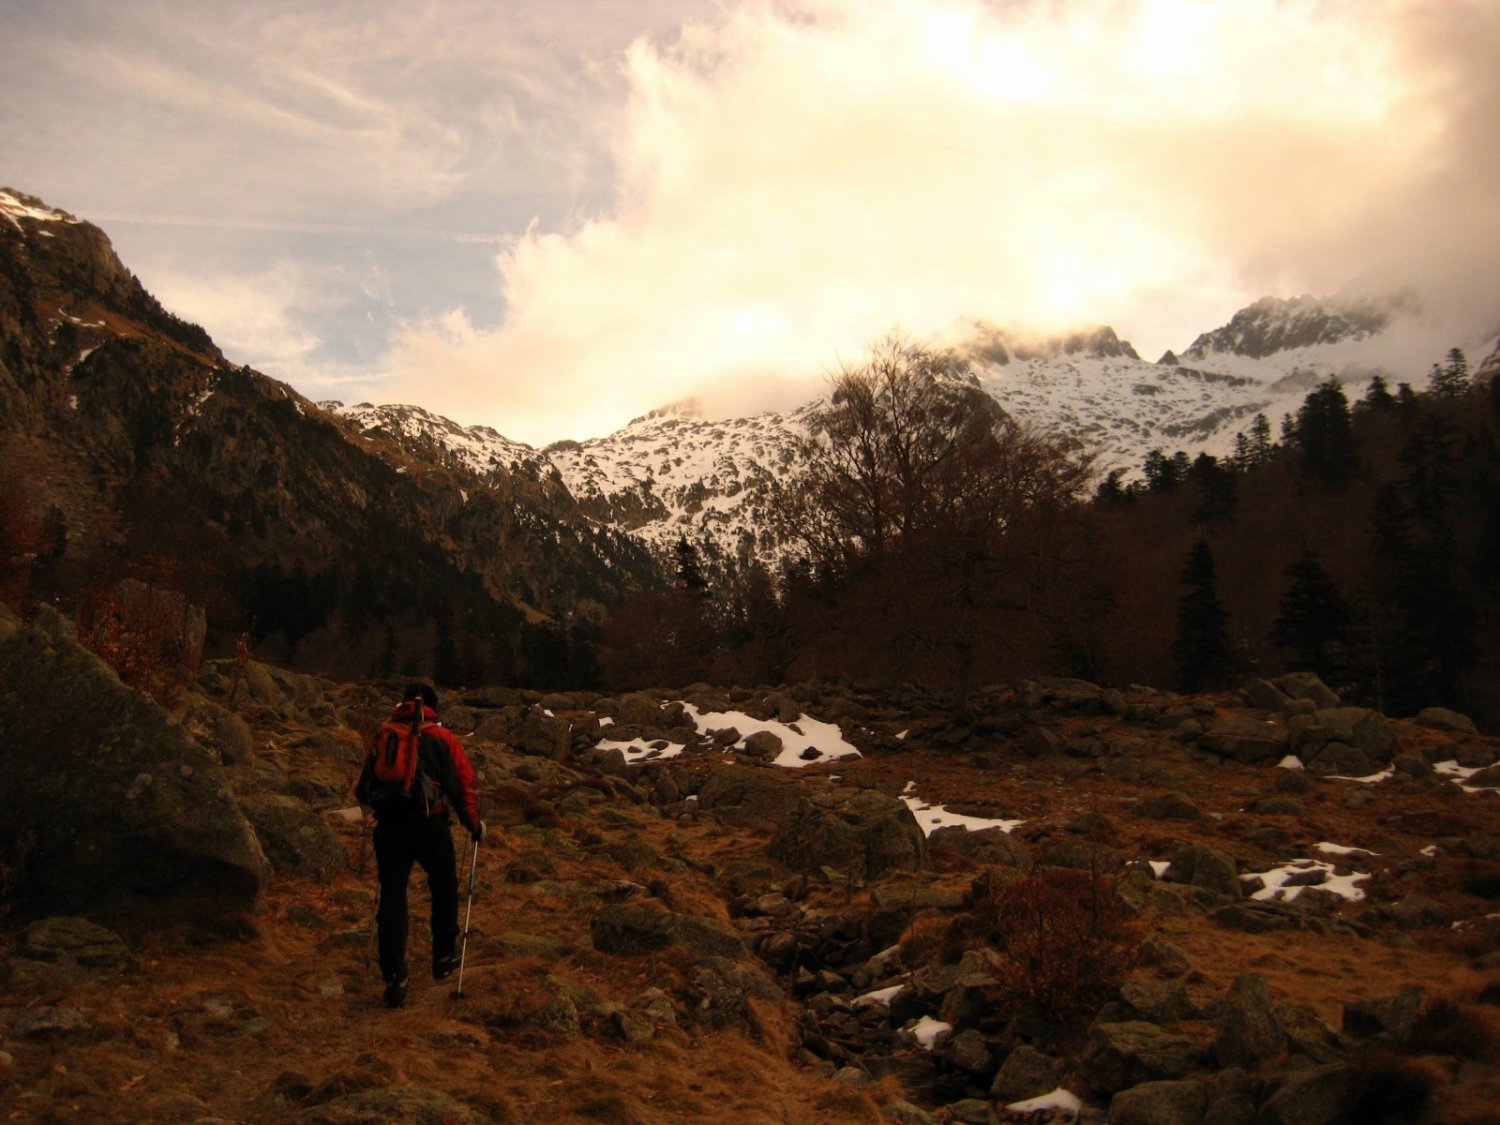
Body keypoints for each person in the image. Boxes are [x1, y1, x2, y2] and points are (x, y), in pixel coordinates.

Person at [356, 682, 486, 1009]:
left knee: (393, 895)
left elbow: (362, 790)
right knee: (444, 885)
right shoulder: (442, 738)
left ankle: (394, 974)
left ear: (403, 704)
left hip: (390, 828)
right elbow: (462, 785)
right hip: (430, 825)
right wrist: (474, 825)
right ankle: (443, 954)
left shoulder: (386, 735)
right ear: (432, 706)